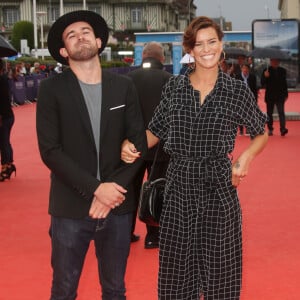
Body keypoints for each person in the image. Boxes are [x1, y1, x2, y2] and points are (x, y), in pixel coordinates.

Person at [122, 16, 268, 299]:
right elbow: (156, 130)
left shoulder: (235, 90)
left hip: (219, 189)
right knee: (176, 278)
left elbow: (260, 132)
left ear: (221, 44)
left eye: (212, 41)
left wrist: (246, 157)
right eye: (199, 44)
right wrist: (131, 145)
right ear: (190, 49)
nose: (206, 49)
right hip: (178, 189)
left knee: (221, 276)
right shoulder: (174, 88)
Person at [36, 10, 147, 300]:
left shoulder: (124, 87)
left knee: (115, 290)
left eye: (85, 31)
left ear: (98, 42)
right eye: (71, 35)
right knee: (63, 290)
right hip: (70, 208)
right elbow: (50, 150)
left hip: (118, 206)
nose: (79, 36)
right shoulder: (51, 90)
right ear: (64, 51)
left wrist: (114, 190)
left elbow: (138, 142)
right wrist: (97, 189)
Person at [127, 41, 171, 248]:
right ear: (162, 58)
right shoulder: (170, 81)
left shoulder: (128, 80)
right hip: (161, 149)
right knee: (158, 190)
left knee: (130, 190)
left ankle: (126, 232)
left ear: (143, 56)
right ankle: (154, 235)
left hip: (133, 147)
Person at [261, 58, 289, 136]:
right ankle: (270, 129)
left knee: (281, 112)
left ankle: (283, 129)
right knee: (269, 113)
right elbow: (262, 83)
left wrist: (286, 94)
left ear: (279, 62)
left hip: (280, 95)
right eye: (273, 61)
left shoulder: (283, 70)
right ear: (270, 62)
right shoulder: (266, 70)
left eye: (277, 61)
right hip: (270, 96)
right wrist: (265, 76)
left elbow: (284, 83)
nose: (275, 62)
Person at [0, 59, 16, 182]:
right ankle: (9, 165)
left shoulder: (2, 80)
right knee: (5, 141)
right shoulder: (4, 79)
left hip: (4, 116)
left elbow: (3, 100)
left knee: (3, 142)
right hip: (7, 115)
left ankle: (6, 167)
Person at [236, 63, 258, 135]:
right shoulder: (237, 76)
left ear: (249, 69)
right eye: (243, 68)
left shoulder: (252, 77)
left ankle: (248, 129)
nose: (245, 70)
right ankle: (241, 129)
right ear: (241, 69)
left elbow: (255, 89)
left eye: (246, 68)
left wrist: (255, 99)